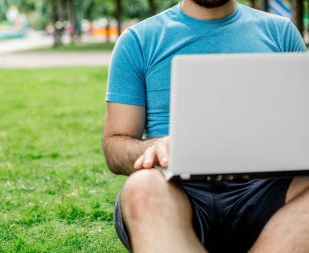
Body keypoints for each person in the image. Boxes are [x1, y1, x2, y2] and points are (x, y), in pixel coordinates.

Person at [102, 0, 308, 252]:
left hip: (266, 192)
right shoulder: (137, 41)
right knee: (142, 187)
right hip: (176, 191)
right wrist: (156, 146)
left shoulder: (281, 33)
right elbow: (114, 145)